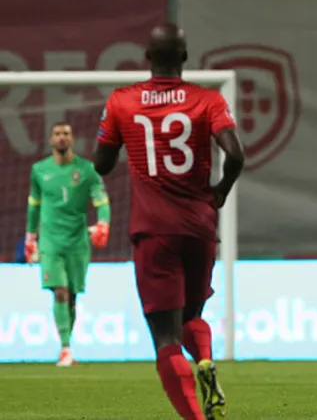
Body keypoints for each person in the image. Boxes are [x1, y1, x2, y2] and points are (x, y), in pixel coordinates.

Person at [94, 22, 245, 420]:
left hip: (154, 230)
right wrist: (222, 190)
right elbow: (236, 154)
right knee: (192, 318)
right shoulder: (207, 100)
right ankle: (206, 361)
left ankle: (196, 418)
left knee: (165, 337)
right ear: (184, 56)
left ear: (146, 57)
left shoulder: (122, 101)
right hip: (199, 227)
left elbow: (102, 165)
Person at [25, 122, 111, 366]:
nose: (62, 138)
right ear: (50, 140)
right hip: (51, 241)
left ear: (72, 139)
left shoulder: (87, 170)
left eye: (66, 134)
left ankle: (67, 345)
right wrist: (31, 237)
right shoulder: (39, 170)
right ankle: (65, 348)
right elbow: (34, 205)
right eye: (57, 134)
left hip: (78, 240)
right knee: (60, 291)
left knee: (72, 295)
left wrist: (103, 223)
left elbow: (102, 200)